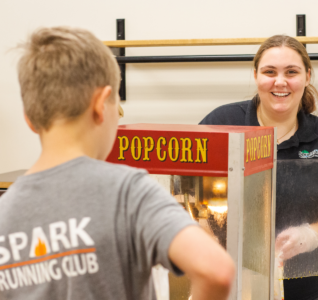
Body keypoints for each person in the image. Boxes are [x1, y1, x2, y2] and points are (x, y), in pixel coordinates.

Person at [0, 27, 234, 300]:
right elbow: (217, 271)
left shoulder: (5, 210)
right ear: (101, 104)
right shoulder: (128, 190)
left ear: (29, 118)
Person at [200, 35, 318, 300]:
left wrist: (311, 235)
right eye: (269, 72)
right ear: (255, 75)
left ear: (307, 76)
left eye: (291, 72)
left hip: (310, 292)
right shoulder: (220, 124)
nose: (280, 81)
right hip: (232, 288)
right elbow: (189, 203)